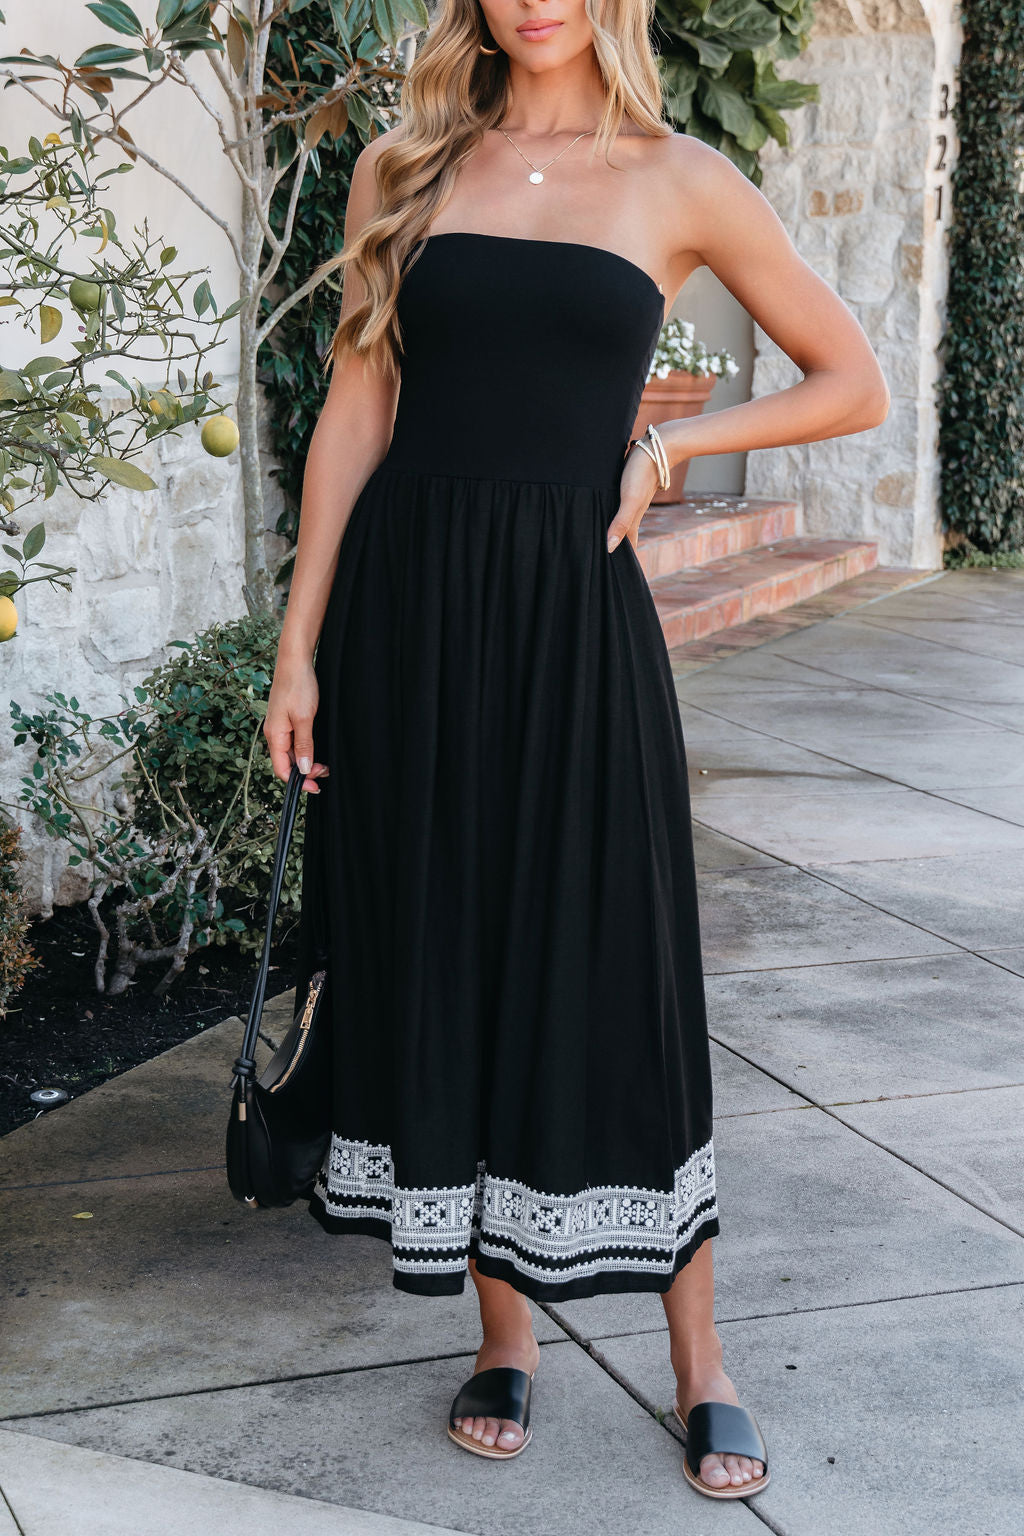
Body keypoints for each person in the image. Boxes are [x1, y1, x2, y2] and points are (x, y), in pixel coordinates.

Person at [262, 0, 889, 1501]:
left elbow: (848, 377)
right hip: (407, 623)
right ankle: (507, 1337)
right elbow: (359, 404)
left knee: (621, 965)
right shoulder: (408, 164)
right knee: (455, 948)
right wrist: (299, 639)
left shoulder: (682, 177)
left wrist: (669, 451)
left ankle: (702, 1361)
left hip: (570, 625)